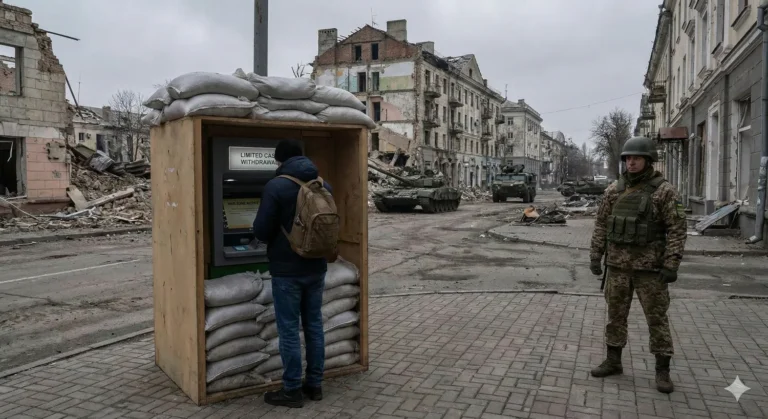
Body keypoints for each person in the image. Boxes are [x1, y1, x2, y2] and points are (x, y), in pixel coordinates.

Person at [588, 136, 687, 394]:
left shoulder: (664, 191)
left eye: (637, 158)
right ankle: (613, 361)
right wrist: (595, 255)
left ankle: (662, 370)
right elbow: (601, 225)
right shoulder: (614, 190)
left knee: (656, 319)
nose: (631, 163)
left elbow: (677, 229)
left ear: (648, 160)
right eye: (628, 158)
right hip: (618, 266)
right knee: (615, 317)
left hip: (650, 269)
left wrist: (671, 264)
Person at [252, 138, 334, 408]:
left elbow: (261, 230)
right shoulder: (322, 185)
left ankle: (291, 390)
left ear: (280, 160)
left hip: (287, 270)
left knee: (288, 330)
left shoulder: (276, 186)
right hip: (316, 266)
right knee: (314, 325)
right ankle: (315, 384)